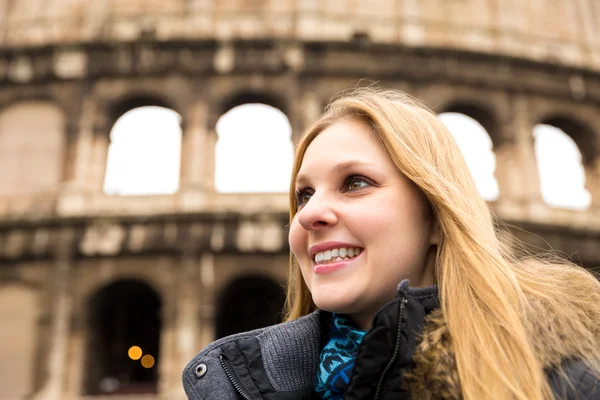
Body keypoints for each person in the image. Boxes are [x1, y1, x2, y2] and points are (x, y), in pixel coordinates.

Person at [182, 88, 600, 399]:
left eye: (355, 183)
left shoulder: (568, 382)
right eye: (304, 194)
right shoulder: (245, 381)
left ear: (437, 215)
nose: (308, 215)